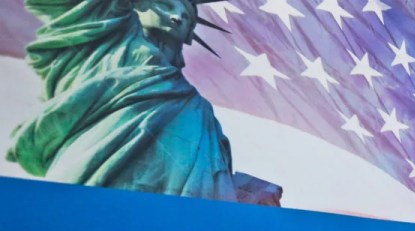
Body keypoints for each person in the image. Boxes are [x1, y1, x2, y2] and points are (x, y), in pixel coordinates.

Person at [6, 0, 240, 201]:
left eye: (187, 16)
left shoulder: (197, 107)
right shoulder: (112, 47)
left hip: (174, 217)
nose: (177, 16)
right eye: (165, 5)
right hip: (92, 183)